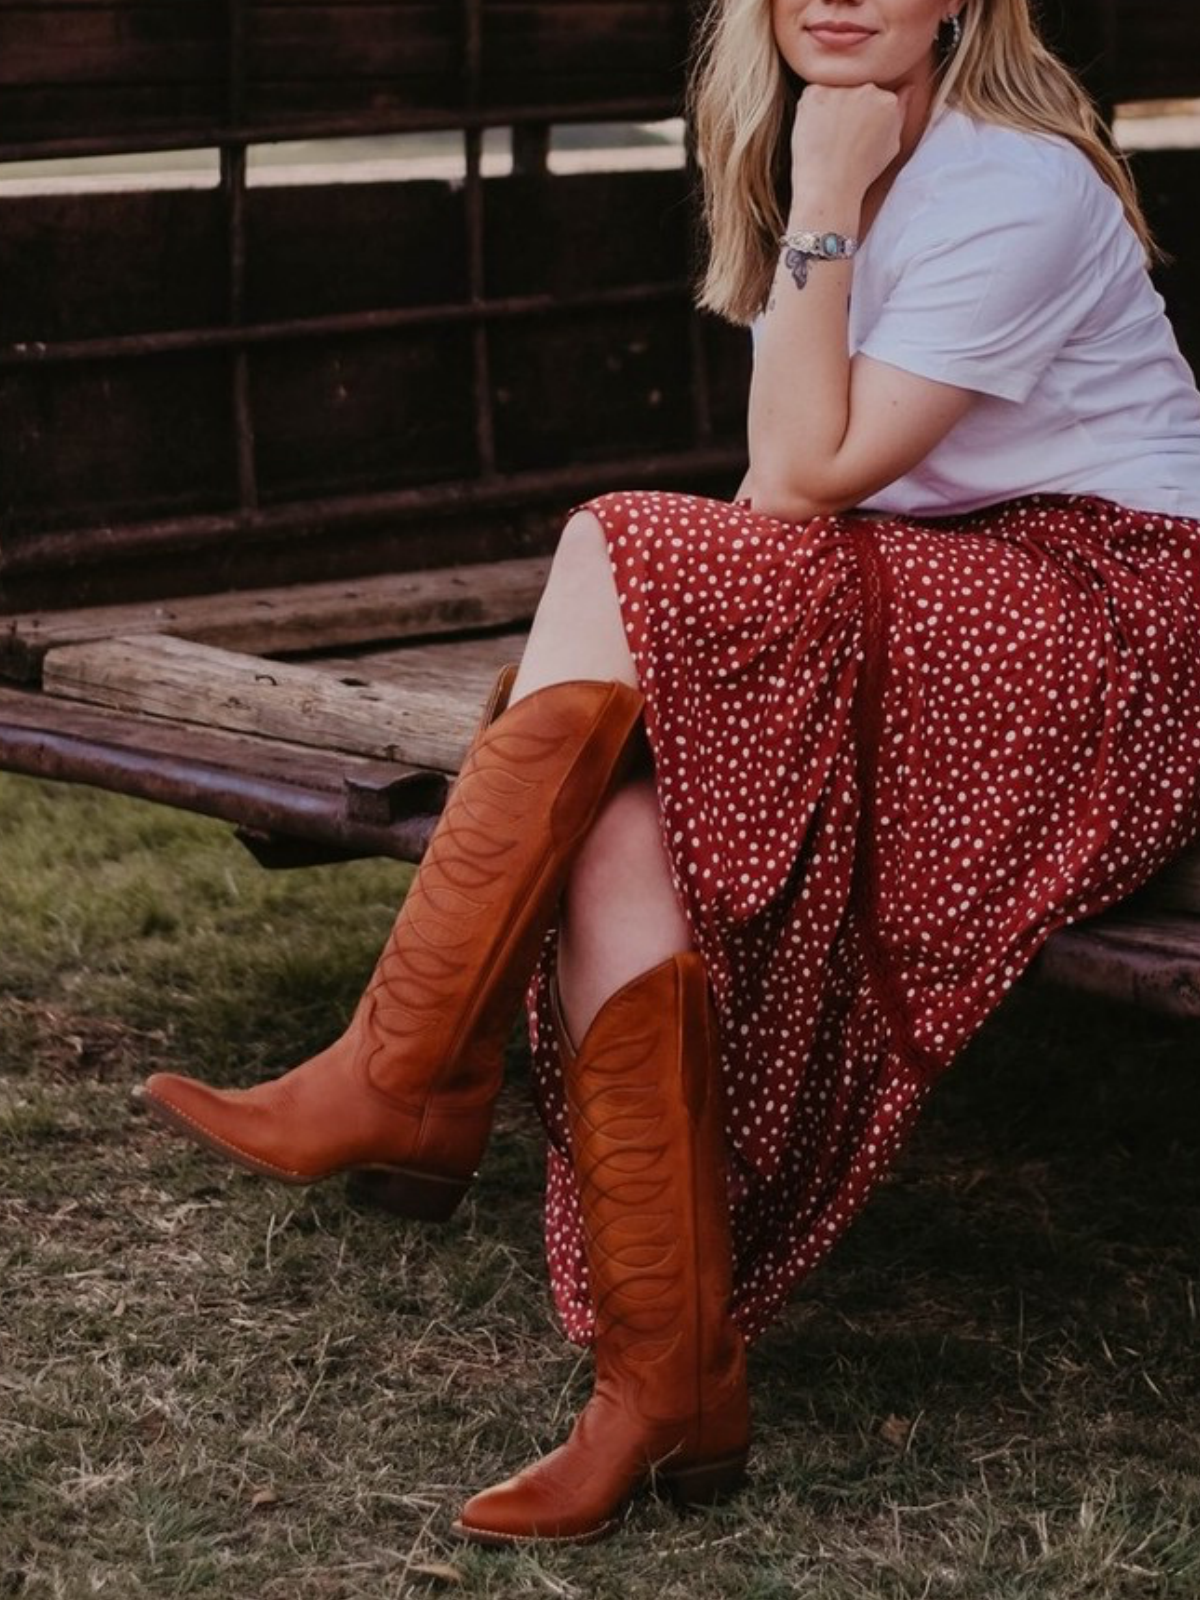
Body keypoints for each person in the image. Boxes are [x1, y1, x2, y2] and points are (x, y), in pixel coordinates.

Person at [141, 0, 1200, 1549]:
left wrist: (824, 204)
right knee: (622, 821)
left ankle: (407, 1068)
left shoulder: (1013, 183)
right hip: (927, 593)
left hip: (1106, 620)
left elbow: (788, 483)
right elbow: (800, 497)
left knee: (622, 541)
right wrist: (822, 187)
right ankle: (670, 1381)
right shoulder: (830, 144)